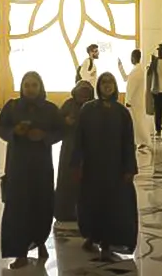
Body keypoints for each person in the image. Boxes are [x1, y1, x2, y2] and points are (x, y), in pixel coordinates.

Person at [0, 71, 63, 269]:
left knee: (41, 203)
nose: (30, 89)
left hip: (41, 166)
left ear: (40, 87)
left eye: (34, 85)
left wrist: (44, 136)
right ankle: (20, 253)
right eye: (27, 85)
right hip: (18, 165)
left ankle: (40, 241)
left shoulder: (50, 109)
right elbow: (0, 127)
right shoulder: (12, 106)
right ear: (22, 87)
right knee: (18, 207)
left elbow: (60, 130)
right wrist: (14, 132)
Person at [73, 72, 138, 261]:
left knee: (112, 206)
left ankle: (107, 243)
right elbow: (79, 139)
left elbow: (128, 142)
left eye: (111, 82)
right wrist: (76, 164)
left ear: (115, 86)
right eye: (104, 82)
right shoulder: (87, 109)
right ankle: (92, 236)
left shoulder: (122, 112)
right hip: (92, 168)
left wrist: (129, 169)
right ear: (98, 86)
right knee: (91, 203)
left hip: (114, 169)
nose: (107, 86)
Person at [54, 79, 94, 223]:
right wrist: (65, 122)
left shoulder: (93, 107)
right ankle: (64, 211)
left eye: (86, 93)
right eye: (81, 92)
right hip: (69, 149)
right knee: (67, 180)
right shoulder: (69, 105)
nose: (83, 96)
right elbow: (56, 123)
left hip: (88, 150)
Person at [118, 49, 151, 151]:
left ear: (133, 58)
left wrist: (128, 101)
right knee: (136, 122)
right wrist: (120, 67)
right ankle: (140, 141)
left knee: (138, 122)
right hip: (135, 101)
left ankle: (144, 141)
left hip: (134, 101)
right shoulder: (137, 69)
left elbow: (132, 86)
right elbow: (125, 78)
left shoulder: (138, 70)